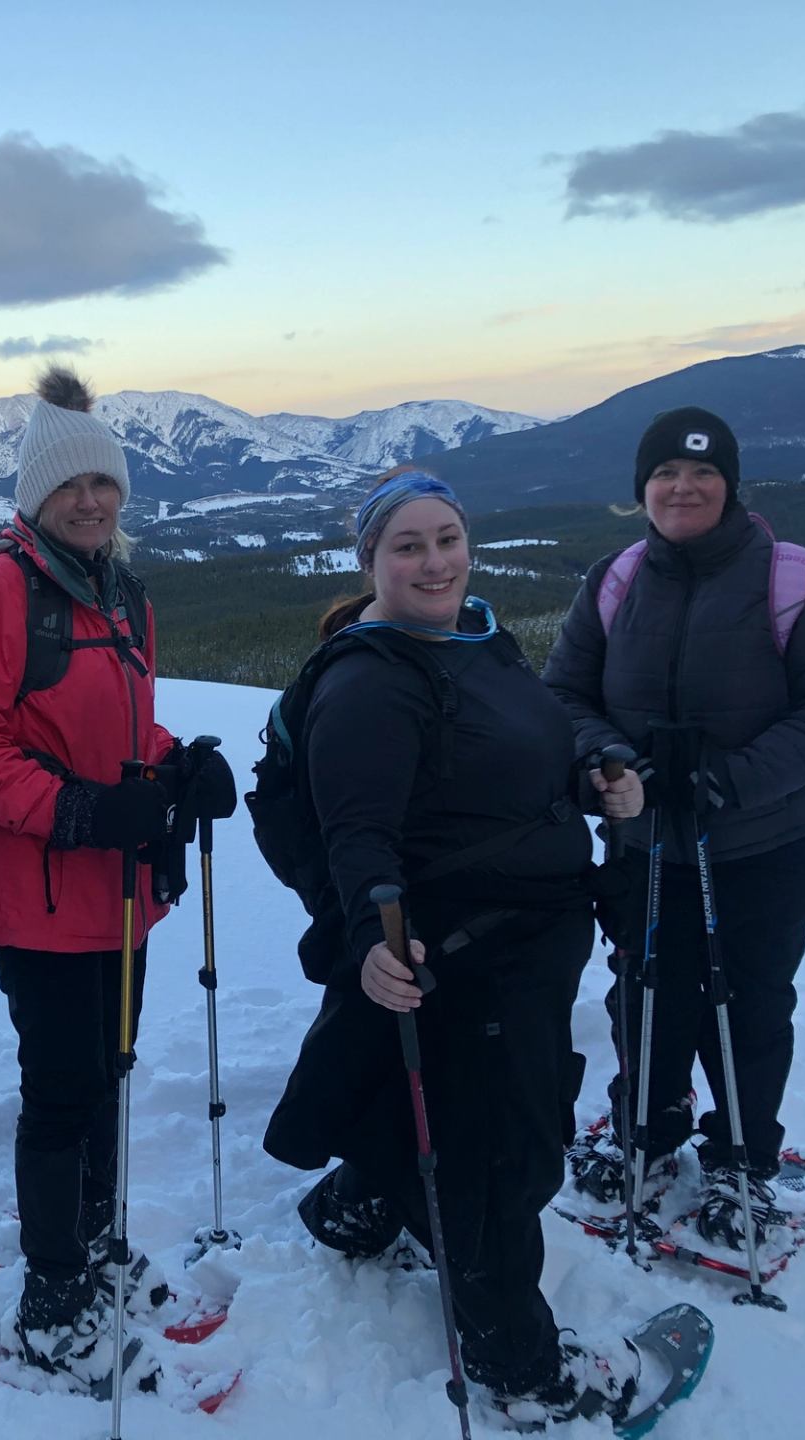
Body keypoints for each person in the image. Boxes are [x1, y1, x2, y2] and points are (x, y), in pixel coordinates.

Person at [262, 470, 650, 1429]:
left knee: (444, 1109)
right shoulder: (369, 681)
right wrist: (370, 937)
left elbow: (509, 752)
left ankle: (357, 1208)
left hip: (523, 941)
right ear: (371, 561)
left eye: (447, 539)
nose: (434, 562)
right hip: (467, 957)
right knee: (496, 1159)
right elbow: (358, 834)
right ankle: (521, 1367)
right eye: (408, 545)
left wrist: (587, 776)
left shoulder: (475, 636)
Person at [0, 366, 235, 1393]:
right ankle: (53, 1297)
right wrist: (82, 812)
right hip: (38, 896)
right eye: (70, 485)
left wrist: (178, 761)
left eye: (104, 483)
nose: (91, 500)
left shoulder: (120, 592)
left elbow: (120, 725)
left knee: (109, 1072)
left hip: (120, 895)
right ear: (36, 495)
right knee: (61, 1092)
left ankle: (96, 1238)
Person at [543, 407, 805, 1249]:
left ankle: (742, 1156)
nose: (682, 487)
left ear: (731, 485)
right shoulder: (615, 581)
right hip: (644, 843)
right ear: (642, 489)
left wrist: (728, 780)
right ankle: (647, 1129)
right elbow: (564, 697)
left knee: (750, 1001)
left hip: (767, 845)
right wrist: (611, 761)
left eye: (702, 473)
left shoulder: (795, 579)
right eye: (665, 473)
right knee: (645, 991)